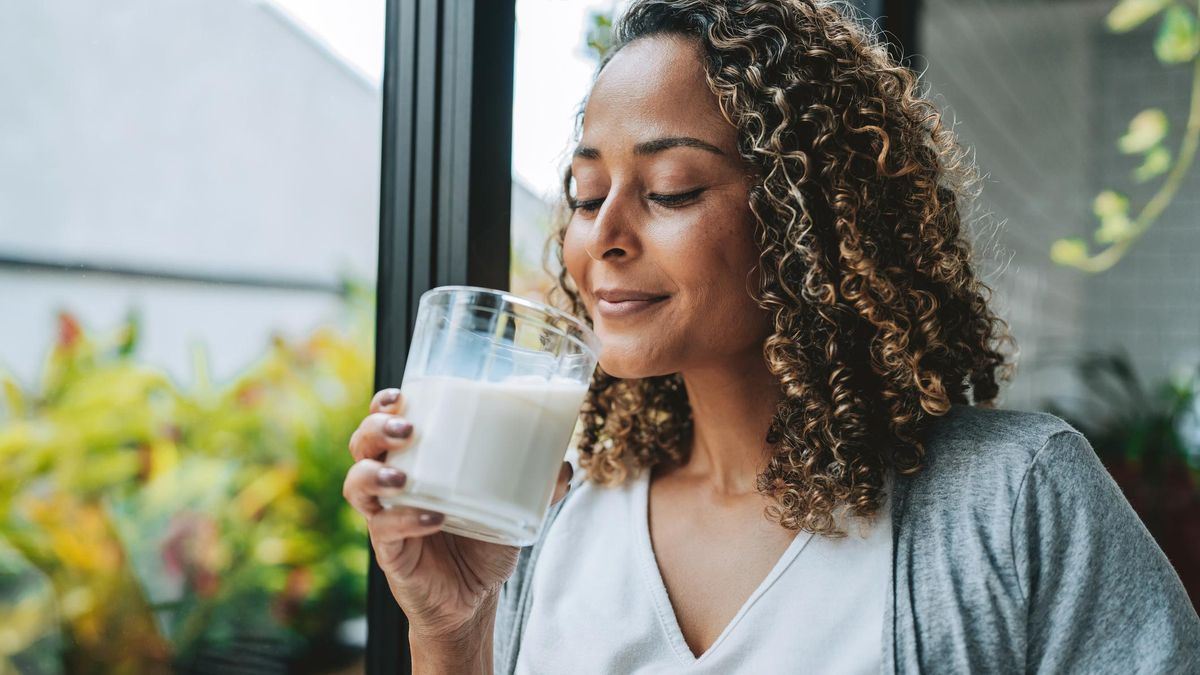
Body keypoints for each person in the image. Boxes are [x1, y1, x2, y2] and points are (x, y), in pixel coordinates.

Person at [343, 0, 1200, 672]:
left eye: (671, 188)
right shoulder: (551, 526)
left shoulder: (1012, 502)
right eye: (583, 189)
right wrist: (451, 631)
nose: (602, 231)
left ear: (808, 217)